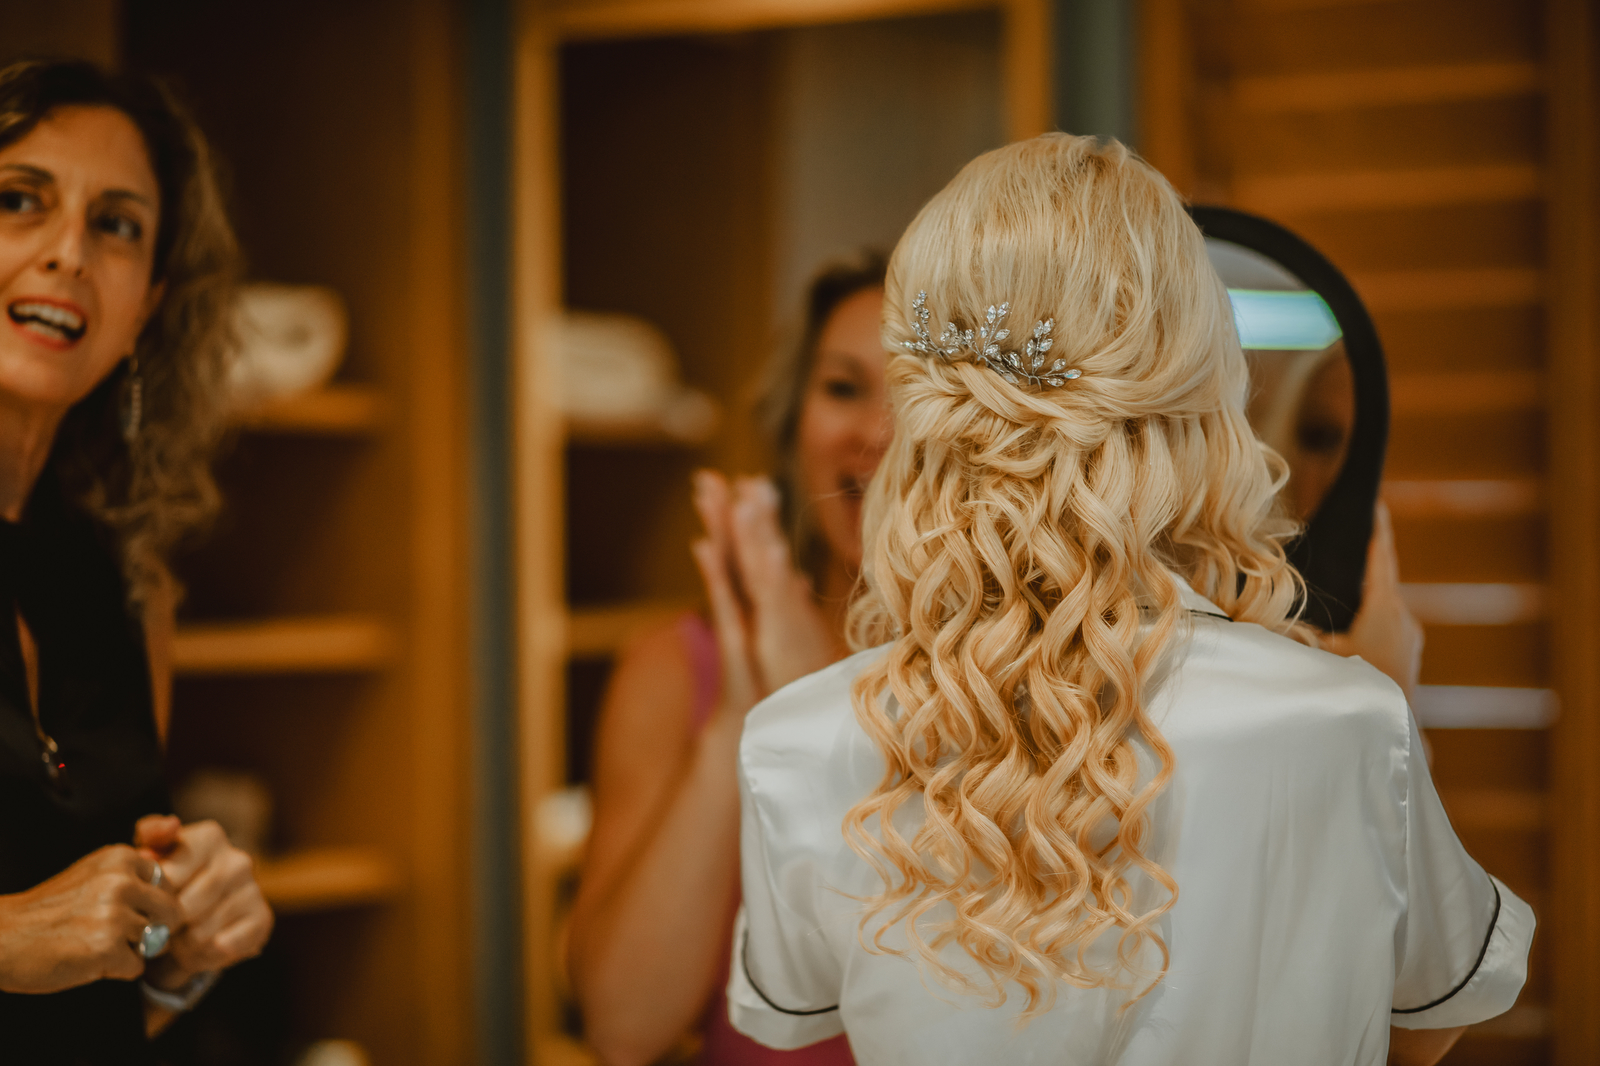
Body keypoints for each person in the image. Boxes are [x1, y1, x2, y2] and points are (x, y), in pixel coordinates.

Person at [729, 135, 1532, 1066]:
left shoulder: (799, 740)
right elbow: (1427, 1014)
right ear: (1196, 400)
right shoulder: (1344, 722)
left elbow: (795, 1013)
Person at [0, 59, 273, 1060]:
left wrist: (179, 947)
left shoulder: (127, 585)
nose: (69, 252)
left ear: (147, 306)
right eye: (18, 199)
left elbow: (99, 1000)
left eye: (116, 224)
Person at [567, 256, 889, 1066]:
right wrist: (741, 720)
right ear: (792, 422)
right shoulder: (678, 672)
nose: (877, 433)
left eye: (920, 396)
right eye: (844, 389)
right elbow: (623, 1026)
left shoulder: (1032, 679)